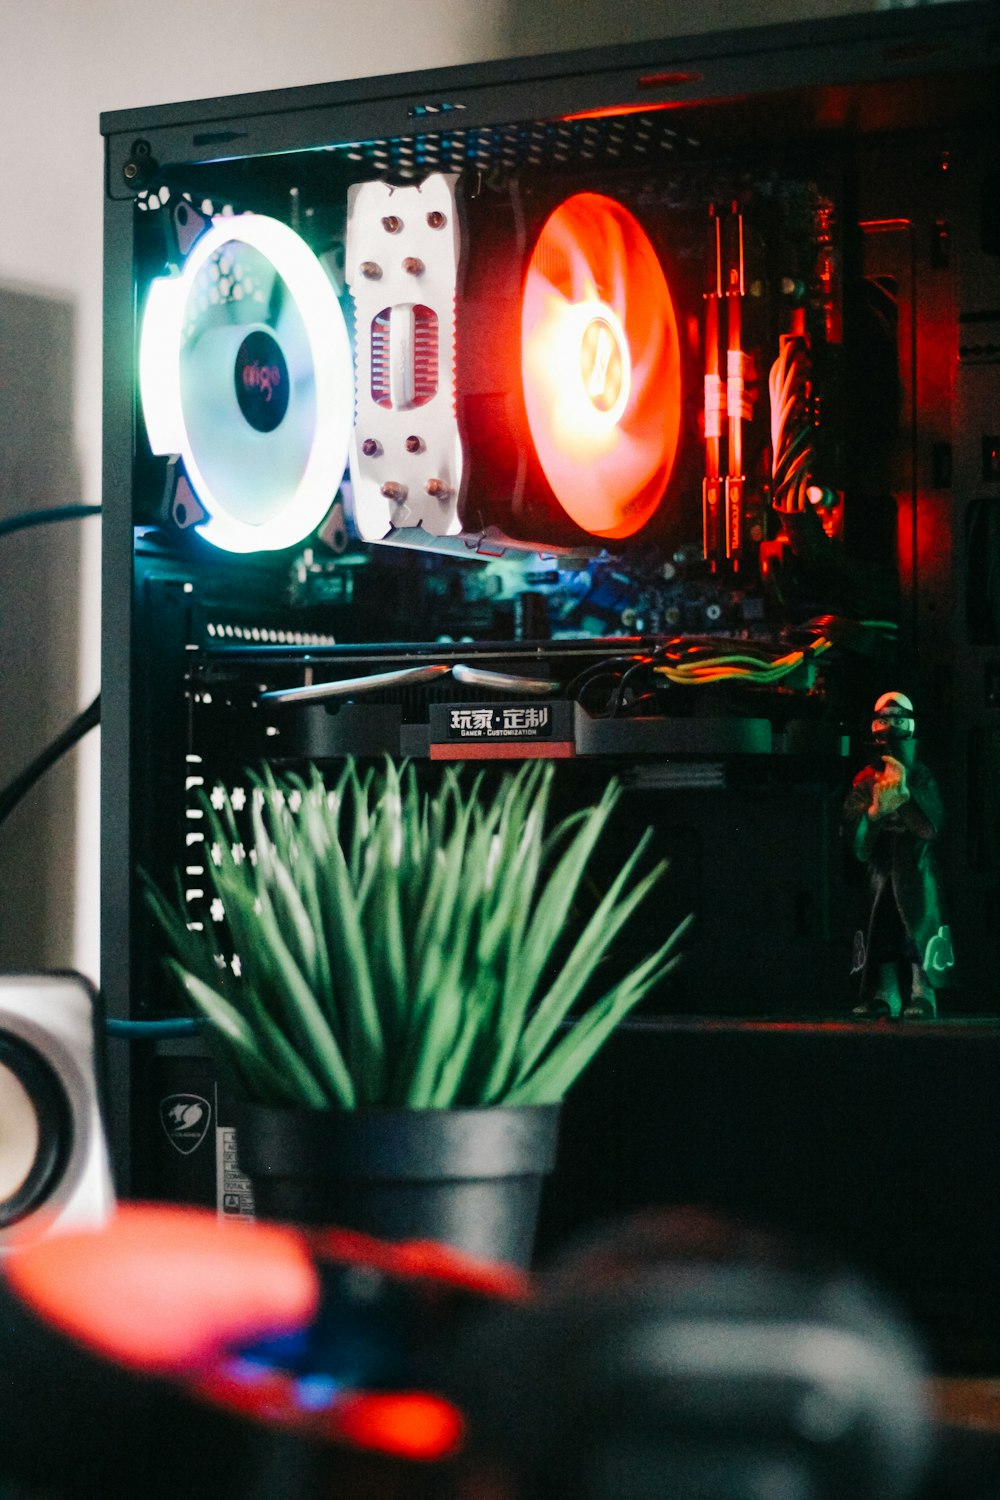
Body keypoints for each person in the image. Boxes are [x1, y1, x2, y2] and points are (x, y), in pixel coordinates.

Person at [843, 691, 954, 1018]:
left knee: (917, 929)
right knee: (882, 930)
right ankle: (886, 992)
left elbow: (932, 826)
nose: (889, 726)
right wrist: (875, 814)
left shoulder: (920, 775)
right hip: (881, 873)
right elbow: (857, 837)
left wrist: (904, 799)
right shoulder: (864, 778)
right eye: (883, 719)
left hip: (917, 870)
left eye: (897, 719)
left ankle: (922, 991)